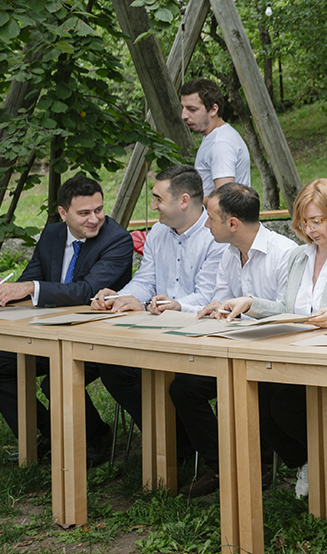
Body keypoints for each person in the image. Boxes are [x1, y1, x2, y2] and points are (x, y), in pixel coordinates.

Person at [217, 178, 327, 505]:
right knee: (257, 392)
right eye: (304, 222)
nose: (310, 230)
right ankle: (323, 458)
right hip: (300, 359)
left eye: (317, 221)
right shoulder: (299, 257)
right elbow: (289, 311)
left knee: (286, 402)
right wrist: (250, 303)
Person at [0, 176, 134, 465]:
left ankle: (95, 437)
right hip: (50, 335)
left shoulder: (117, 239)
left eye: (99, 210)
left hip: (97, 339)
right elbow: (29, 283)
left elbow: (87, 290)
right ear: (63, 213)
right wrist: (3, 289)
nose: (94, 219)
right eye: (84, 213)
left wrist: (29, 288)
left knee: (55, 380)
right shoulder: (51, 235)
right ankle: (50, 433)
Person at [173, 183, 297, 497]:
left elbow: (294, 314)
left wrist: (247, 308)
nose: (205, 224)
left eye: (211, 218)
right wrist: (217, 309)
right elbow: (222, 300)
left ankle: (261, 465)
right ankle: (221, 466)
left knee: (255, 388)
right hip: (232, 351)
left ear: (232, 223)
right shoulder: (228, 253)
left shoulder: (285, 253)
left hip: (276, 356)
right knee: (184, 387)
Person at [89, 165, 226, 431]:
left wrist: (173, 307)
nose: (153, 206)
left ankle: (186, 441)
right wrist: (119, 297)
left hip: (199, 339)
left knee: (183, 385)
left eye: (158, 199)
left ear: (183, 201)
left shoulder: (215, 236)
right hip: (156, 336)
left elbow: (208, 297)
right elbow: (145, 280)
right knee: (114, 370)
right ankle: (168, 437)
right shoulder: (158, 233)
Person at [180, 77, 250, 196]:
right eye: (183, 108)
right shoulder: (216, 136)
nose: (184, 116)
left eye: (192, 109)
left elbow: (224, 197)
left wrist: (188, 200)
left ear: (213, 110)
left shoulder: (220, 144)